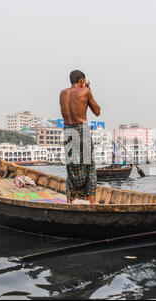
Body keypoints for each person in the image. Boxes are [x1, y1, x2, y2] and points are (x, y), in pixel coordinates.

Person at [60, 70, 101, 204]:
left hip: (67, 130)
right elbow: (97, 112)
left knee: (71, 167)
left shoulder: (63, 93)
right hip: (81, 129)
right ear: (82, 81)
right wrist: (88, 89)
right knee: (90, 166)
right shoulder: (85, 91)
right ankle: (92, 203)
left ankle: (69, 201)